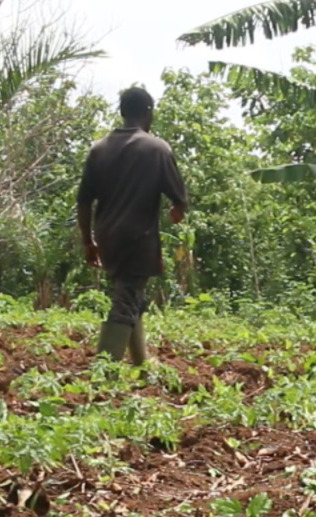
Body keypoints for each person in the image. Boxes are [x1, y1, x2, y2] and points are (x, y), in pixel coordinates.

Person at [77, 86, 190, 364]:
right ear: (148, 113)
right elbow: (180, 198)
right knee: (126, 300)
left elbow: (83, 201)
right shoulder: (156, 148)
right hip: (138, 238)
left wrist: (88, 242)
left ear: (122, 112)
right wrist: (178, 210)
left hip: (107, 237)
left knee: (132, 295)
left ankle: (140, 362)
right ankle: (103, 372)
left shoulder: (99, 149)